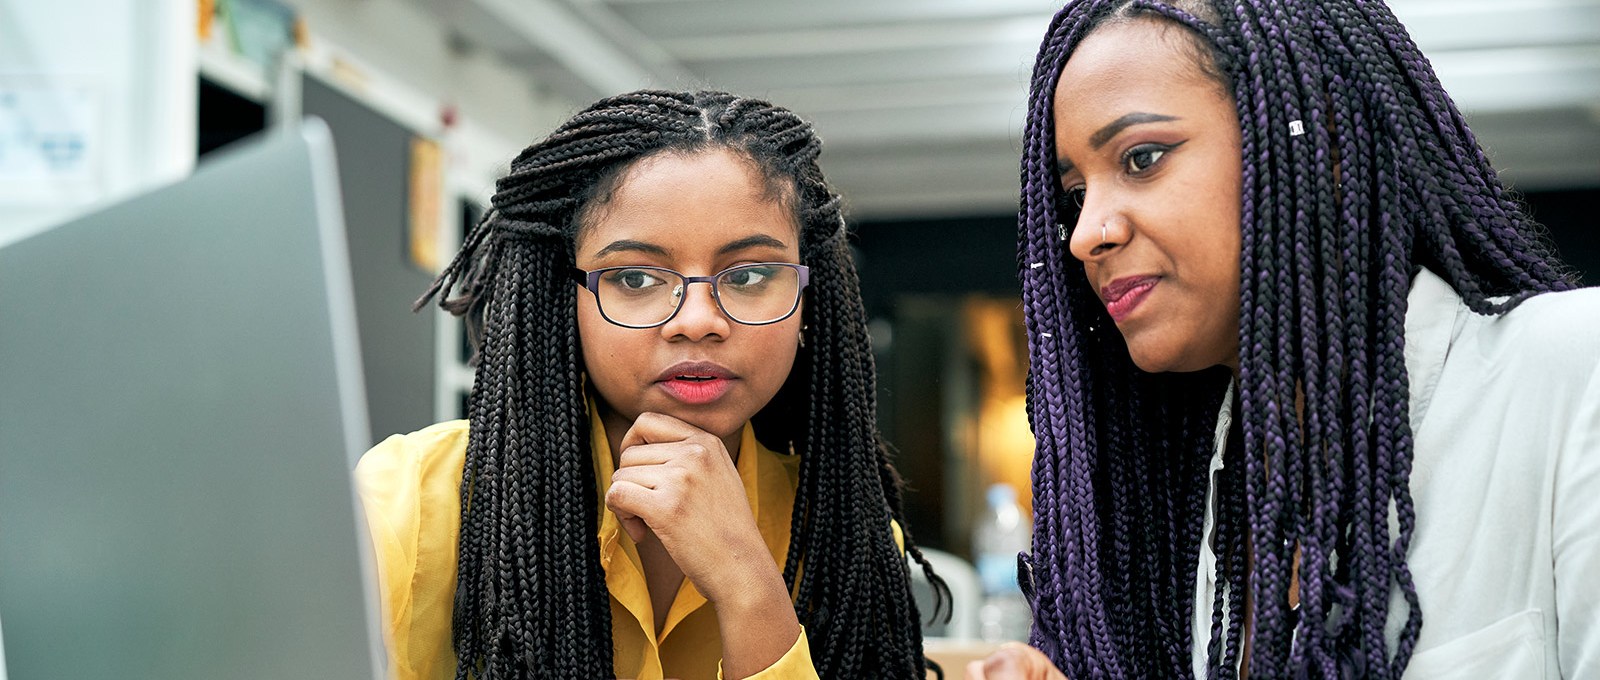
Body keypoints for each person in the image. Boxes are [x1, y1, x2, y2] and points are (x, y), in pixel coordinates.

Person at [970, 0, 1600, 678]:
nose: (1089, 232)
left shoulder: (1570, 368)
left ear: (1318, 137)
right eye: (1073, 196)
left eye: (1142, 158)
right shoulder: (1208, 500)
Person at [356, 90, 943, 680]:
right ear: (568, 298)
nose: (697, 320)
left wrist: (750, 589)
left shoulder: (841, 529)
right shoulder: (409, 501)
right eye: (634, 277)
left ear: (806, 301)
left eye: (751, 275)